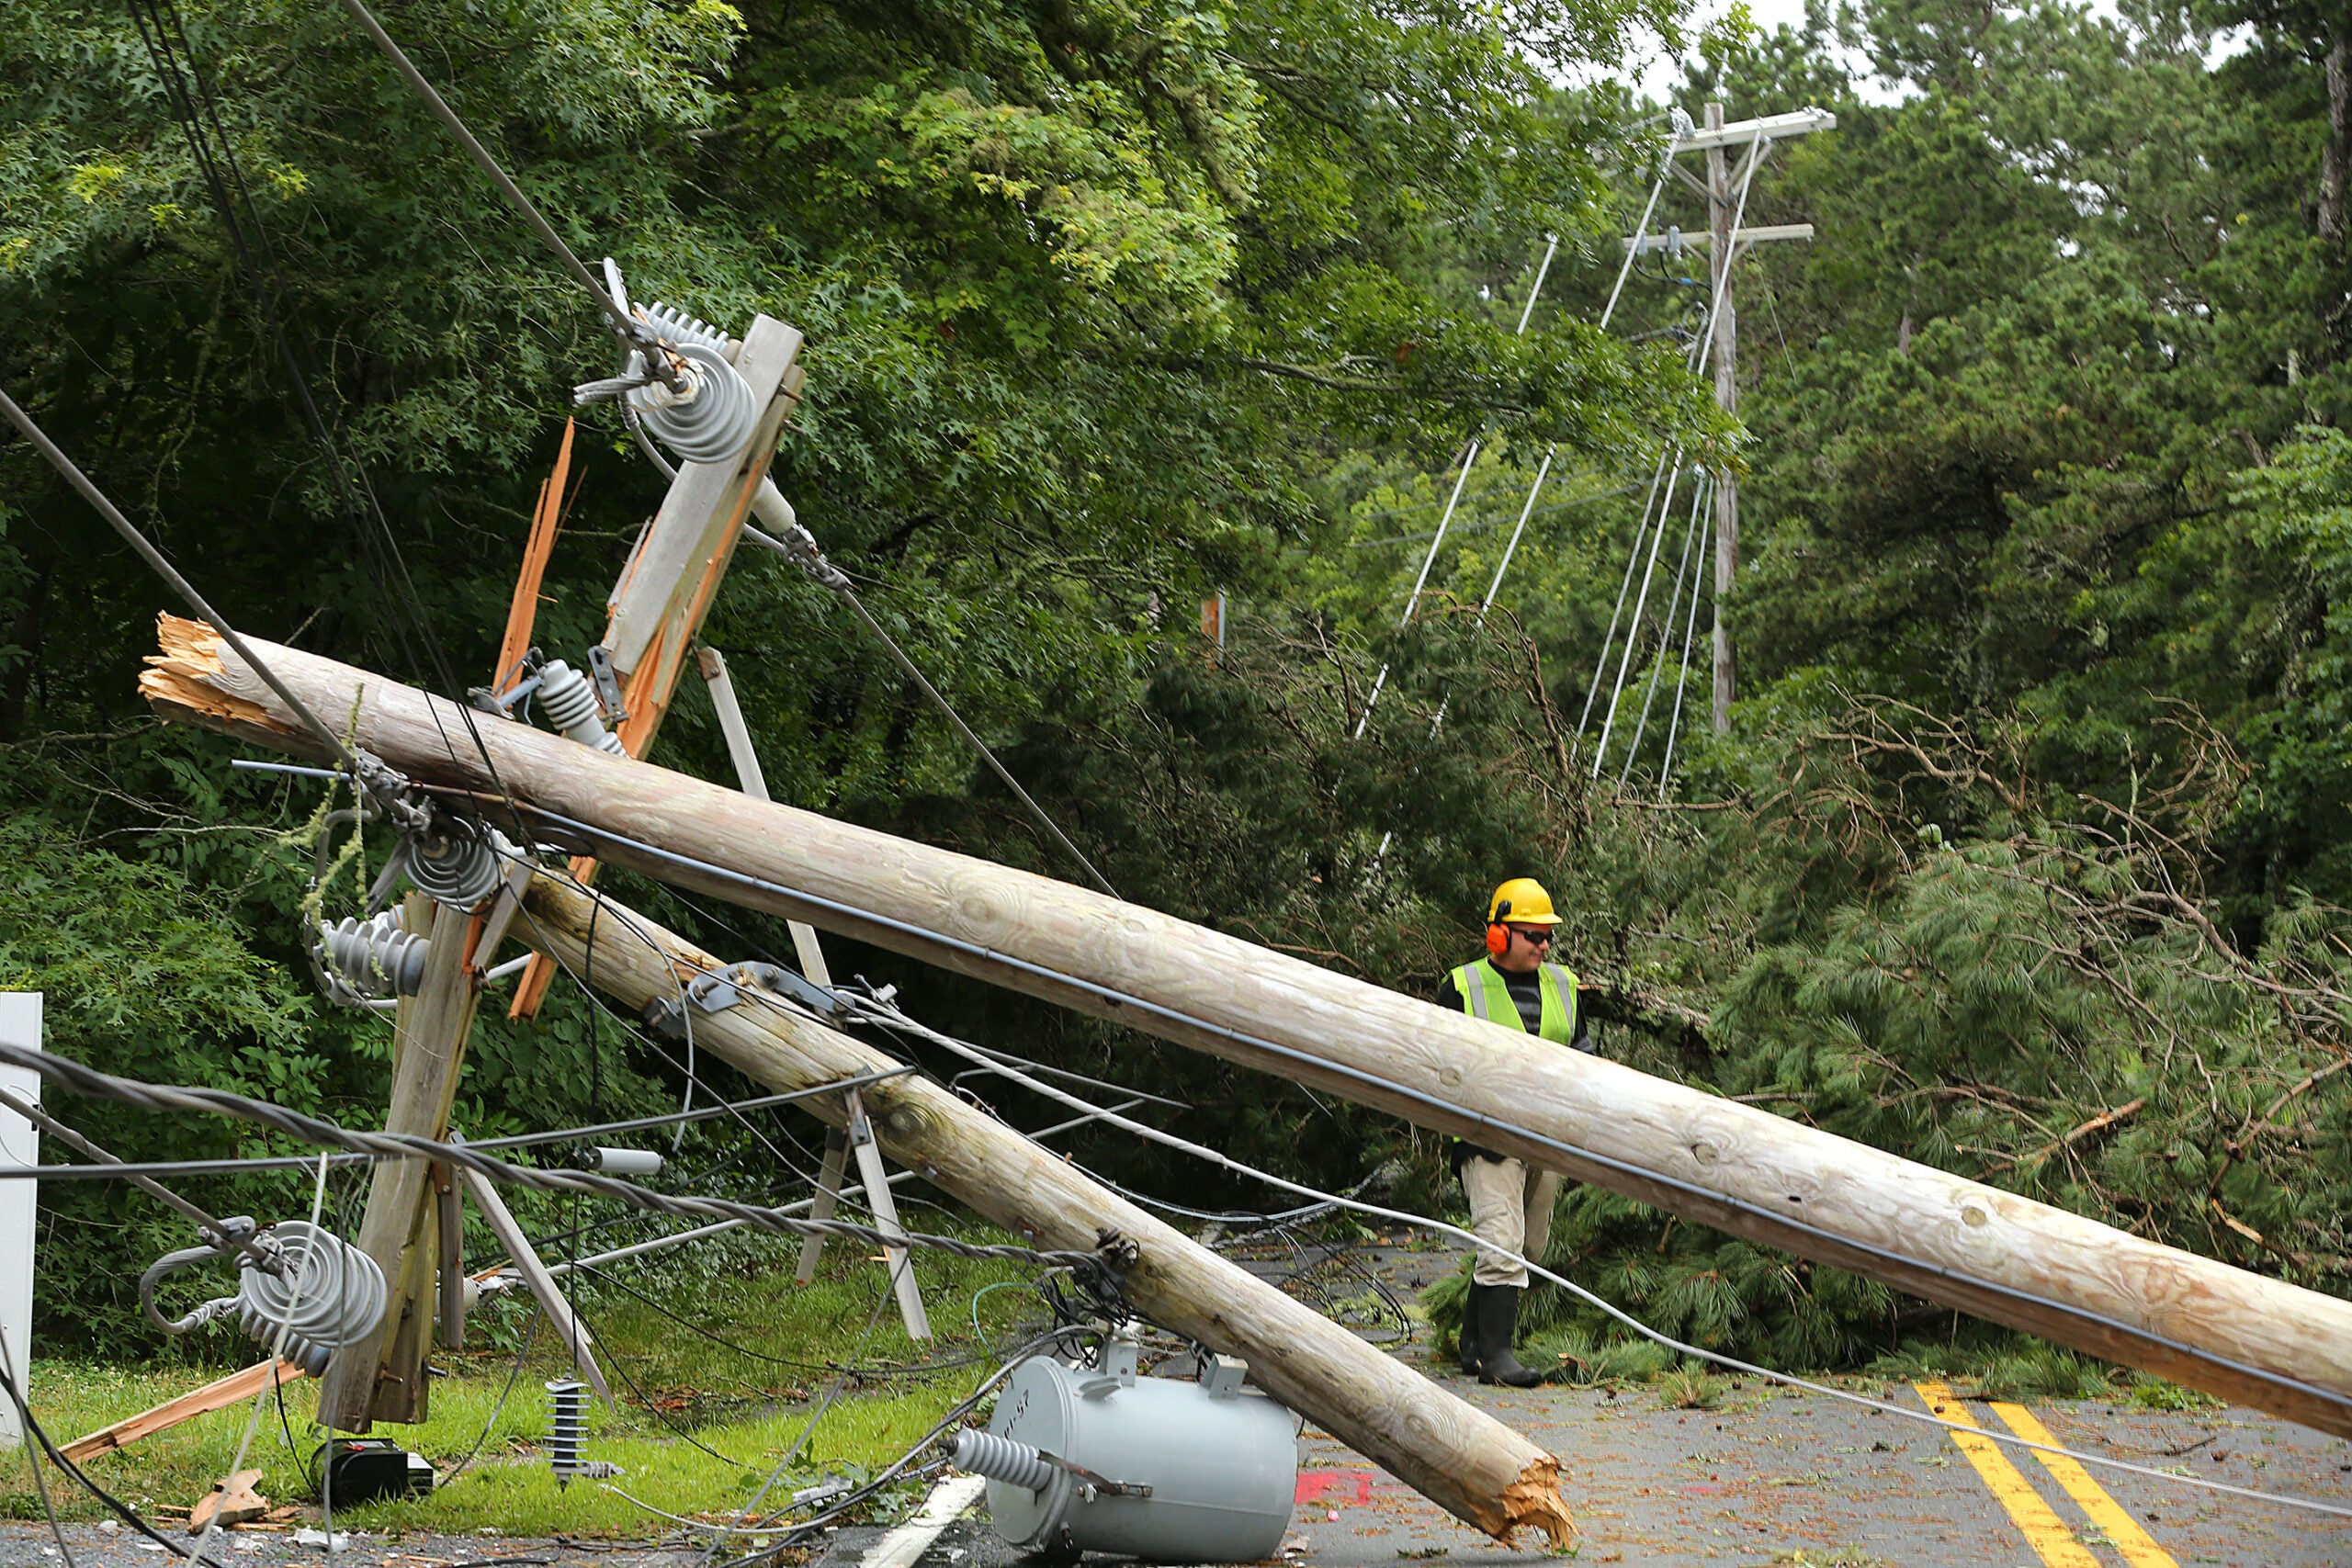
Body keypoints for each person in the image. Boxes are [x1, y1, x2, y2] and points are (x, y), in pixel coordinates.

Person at [1436, 875, 1592, 1387]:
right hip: (1487, 1137)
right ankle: (1498, 1360)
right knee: (1502, 1243)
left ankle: (1474, 1342)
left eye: (1548, 936)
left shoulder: (1565, 985)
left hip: (1545, 1137)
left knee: (1529, 1249)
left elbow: (1584, 1054)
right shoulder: (1462, 986)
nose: (1544, 945)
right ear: (1499, 935)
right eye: (1533, 935)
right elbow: (1438, 1064)